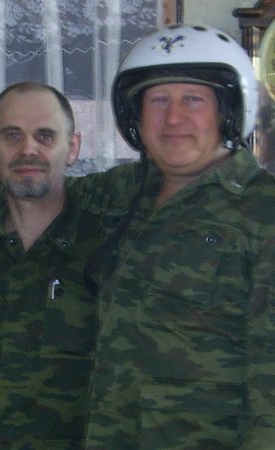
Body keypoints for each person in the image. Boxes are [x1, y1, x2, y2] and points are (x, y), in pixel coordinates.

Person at [84, 24, 275, 449]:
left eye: (193, 99)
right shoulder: (121, 196)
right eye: (157, 100)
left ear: (228, 111)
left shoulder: (264, 212)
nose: (172, 118)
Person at [0, 81, 104, 449]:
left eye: (45, 136)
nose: (28, 150)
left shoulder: (109, 248)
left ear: (73, 148)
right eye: (12, 135)